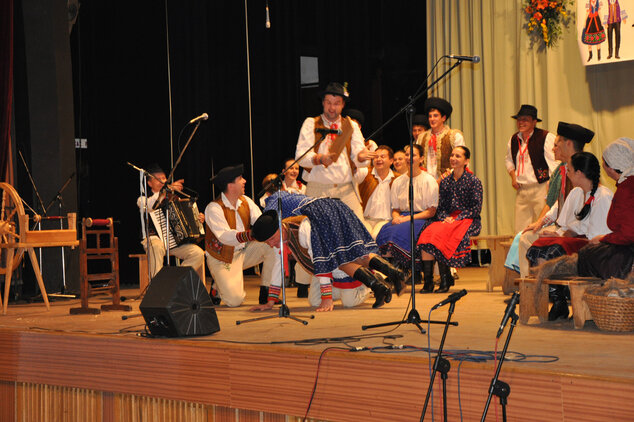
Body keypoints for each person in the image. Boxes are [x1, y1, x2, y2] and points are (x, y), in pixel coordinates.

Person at [250, 195, 405, 311]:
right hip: (330, 209)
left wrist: (327, 298)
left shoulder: (304, 227)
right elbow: (278, 267)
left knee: (344, 258)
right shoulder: (280, 234)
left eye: (271, 239)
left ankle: (376, 284)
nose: (271, 244)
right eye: (268, 242)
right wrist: (271, 301)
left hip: (324, 213)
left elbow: (321, 258)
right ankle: (393, 274)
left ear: (279, 226)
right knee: (351, 253)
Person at [526, 152, 613, 320]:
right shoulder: (575, 193)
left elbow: (596, 235)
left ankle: (569, 298)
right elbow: (565, 225)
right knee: (537, 249)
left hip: (592, 245)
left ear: (579, 173)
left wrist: (566, 235)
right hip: (574, 239)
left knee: (552, 251)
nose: (568, 174)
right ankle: (558, 300)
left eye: (570, 171)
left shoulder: (603, 196)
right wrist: (555, 234)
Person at [509, 122, 594, 278]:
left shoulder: (582, 170)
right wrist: (541, 222)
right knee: (526, 236)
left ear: (568, 144)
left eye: (557, 144)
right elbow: (558, 205)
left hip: (577, 231)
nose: (553, 148)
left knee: (529, 238)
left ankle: (537, 283)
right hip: (564, 227)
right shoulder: (562, 170)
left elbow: (582, 215)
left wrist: (560, 233)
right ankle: (530, 283)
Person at [294, 82, 375, 226]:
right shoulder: (311, 123)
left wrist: (361, 158)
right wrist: (319, 159)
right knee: (316, 231)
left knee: (358, 229)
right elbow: (300, 157)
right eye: (328, 103)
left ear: (343, 104)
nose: (332, 108)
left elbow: (359, 155)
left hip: (346, 189)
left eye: (336, 103)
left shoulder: (351, 126)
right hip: (318, 190)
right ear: (323, 102)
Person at [204, 164, 278, 307]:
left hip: (244, 252)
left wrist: (273, 228)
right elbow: (225, 237)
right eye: (240, 179)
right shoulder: (214, 208)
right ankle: (216, 287)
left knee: (272, 245)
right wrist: (251, 234)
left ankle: (266, 292)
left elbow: (259, 221)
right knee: (234, 301)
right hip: (222, 258)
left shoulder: (246, 201)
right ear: (230, 185)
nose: (244, 181)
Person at [417, 146, 483, 293]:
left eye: (458, 156)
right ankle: (428, 282)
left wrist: (458, 218)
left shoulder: (474, 181)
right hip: (448, 219)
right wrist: (445, 217)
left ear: (466, 161)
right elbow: (440, 207)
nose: (453, 158)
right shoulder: (446, 181)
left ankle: (445, 279)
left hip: (468, 219)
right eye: (452, 155)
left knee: (443, 233)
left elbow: (476, 208)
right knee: (428, 233)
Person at [376, 144, 438, 284]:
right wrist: (396, 217)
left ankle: (413, 272)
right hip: (403, 217)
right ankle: (392, 275)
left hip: (422, 217)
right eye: (407, 154)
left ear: (421, 159)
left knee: (402, 230)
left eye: (413, 155)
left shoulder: (429, 180)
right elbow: (395, 208)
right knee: (386, 230)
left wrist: (407, 219)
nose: (409, 158)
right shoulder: (398, 181)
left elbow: (431, 211)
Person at [136, 164, 205, 282]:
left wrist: (198, 219)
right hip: (153, 239)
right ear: (149, 183)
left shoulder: (174, 198)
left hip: (173, 241)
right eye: (157, 179)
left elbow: (185, 219)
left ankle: (175, 282)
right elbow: (151, 206)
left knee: (198, 253)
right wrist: (167, 189)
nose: (162, 181)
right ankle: (157, 287)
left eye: (163, 178)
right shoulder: (143, 199)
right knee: (156, 247)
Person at [504, 104, 557, 233]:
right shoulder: (514, 139)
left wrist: (551, 185)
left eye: (525, 120)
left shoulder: (545, 137)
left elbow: (554, 163)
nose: (521, 123)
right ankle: (521, 246)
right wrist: (513, 177)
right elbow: (509, 160)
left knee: (542, 225)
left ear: (534, 122)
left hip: (541, 187)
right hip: (522, 189)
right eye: (519, 119)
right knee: (520, 228)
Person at [415, 97, 465, 180]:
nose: (432, 119)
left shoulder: (454, 136)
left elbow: (461, 161)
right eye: (430, 116)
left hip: (449, 182)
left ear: (443, 118)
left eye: (435, 116)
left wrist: (443, 178)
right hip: (426, 181)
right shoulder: (422, 137)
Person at [355, 145, 399, 238]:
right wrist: (359, 157)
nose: (379, 159)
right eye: (376, 157)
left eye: (382, 157)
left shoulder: (397, 179)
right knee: (364, 236)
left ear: (391, 161)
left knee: (375, 236)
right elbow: (353, 172)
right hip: (365, 219)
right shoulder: (366, 173)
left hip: (386, 220)